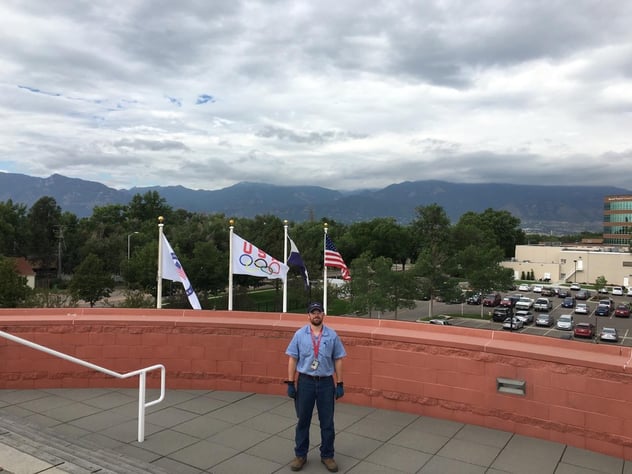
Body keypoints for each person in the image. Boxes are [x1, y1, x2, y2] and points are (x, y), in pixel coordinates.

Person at [285, 302, 346, 472]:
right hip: (305, 382)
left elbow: (338, 359)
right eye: (313, 313)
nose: (316, 315)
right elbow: (292, 359)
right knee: (303, 420)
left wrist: (340, 383)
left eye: (319, 312)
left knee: (327, 422)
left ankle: (327, 455)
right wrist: (290, 382)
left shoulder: (332, 335)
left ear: (323, 315)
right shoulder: (299, 335)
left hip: (326, 383)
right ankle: (300, 455)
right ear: (308, 316)